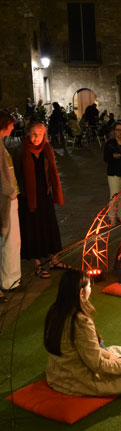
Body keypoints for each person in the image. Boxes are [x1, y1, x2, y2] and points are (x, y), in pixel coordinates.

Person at [45, 269, 121, 396]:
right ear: (81, 293)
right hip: (79, 379)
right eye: (89, 286)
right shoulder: (80, 321)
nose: (91, 288)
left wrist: (110, 356)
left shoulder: (55, 310)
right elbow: (97, 365)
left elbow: (86, 349)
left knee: (120, 351)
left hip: (58, 373)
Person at [14, 122, 65, 278]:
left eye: (40, 134)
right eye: (34, 134)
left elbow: (51, 172)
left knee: (49, 226)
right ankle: (38, 264)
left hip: (44, 195)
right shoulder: (21, 151)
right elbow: (17, 175)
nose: (36, 138)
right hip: (28, 198)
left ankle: (53, 259)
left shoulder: (46, 150)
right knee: (33, 229)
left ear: (44, 135)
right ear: (29, 133)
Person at [0, 110, 21, 295]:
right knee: (10, 240)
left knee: (10, 240)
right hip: (6, 198)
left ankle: (10, 279)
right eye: (11, 124)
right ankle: (10, 281)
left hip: (8, 197)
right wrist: (11, 192)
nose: (13, 127)